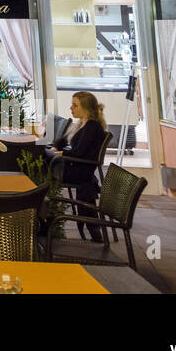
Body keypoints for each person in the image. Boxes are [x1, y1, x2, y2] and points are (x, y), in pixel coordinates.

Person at [47, 91, 108, 240]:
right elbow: (67, 142)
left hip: (78, 172)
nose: (71, 108)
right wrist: (56, 148)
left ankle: (44, 219)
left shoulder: (92, 127)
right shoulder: (83, 124)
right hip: (77, 168)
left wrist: (59, 154)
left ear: (85, 108)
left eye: (75, 105)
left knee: (38, 163)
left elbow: (79, 153)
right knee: (42, 156)